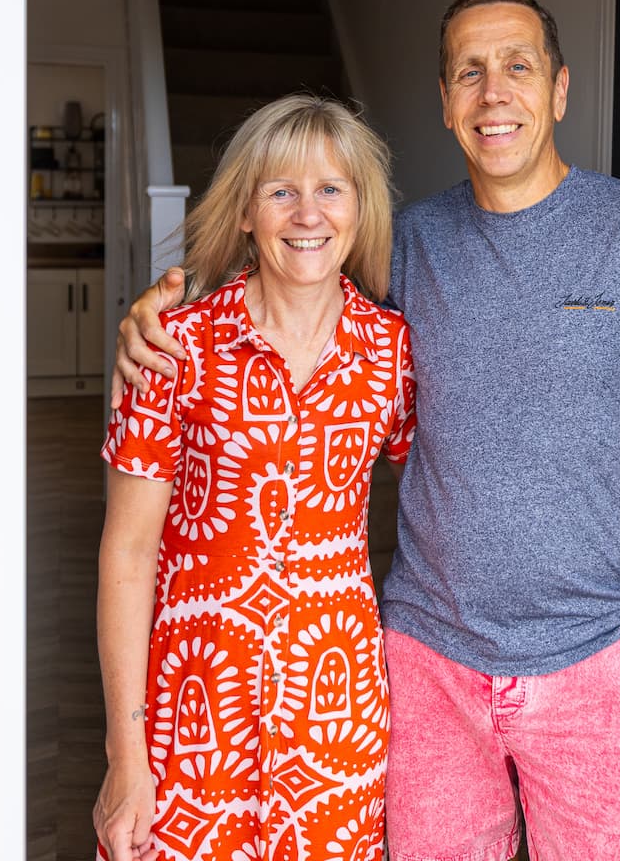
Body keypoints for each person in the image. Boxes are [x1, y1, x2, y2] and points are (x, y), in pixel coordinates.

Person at [115, 0, 620, 861]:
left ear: (561, 90)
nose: (493, 92)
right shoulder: (404, 249)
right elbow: (293, 280)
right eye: (469, 72)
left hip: (597, 665)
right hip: (426, 669)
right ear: (445, 101)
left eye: (517, 67)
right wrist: (156, 309)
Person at [92, 95, 414, 861]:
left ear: (359, 209)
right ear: (245, 211)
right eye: (282, 191)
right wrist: (124, 757)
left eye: (331, 189)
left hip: (334, 727)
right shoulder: (175, 349)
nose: (309, 213)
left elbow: (464, 482)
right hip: (191, 722)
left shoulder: (393, 353)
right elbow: (128, 556)